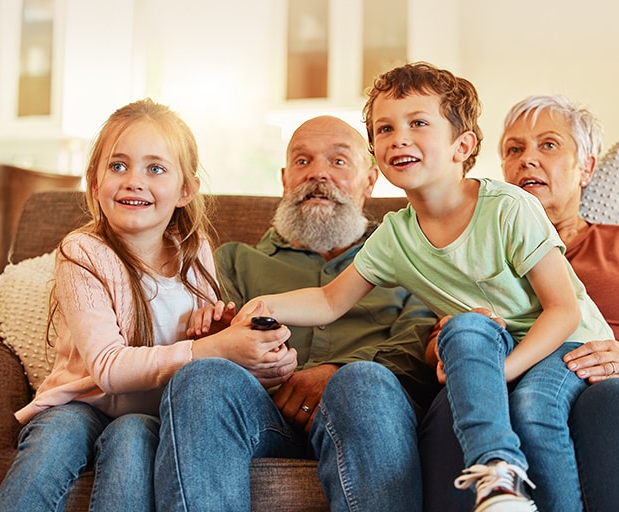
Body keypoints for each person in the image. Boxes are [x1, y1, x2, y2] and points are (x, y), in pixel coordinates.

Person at [235, 63, 614, 512]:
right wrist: (264, 304)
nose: (399, 138)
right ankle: (496, 481)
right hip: (488, 346)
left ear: (463, 145)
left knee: (532, 408)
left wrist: (505, 371)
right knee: (464, 332)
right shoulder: (396, 235)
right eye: (385, 128)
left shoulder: (511, 207)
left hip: (568, 343)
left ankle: (500, 479)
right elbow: (328, 300)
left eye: (418, 123)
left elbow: (563, 312)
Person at [0, 98, 296, 512]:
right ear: (95, 183)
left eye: (155, 168)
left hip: (153, 414)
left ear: (186, 190)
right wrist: (212, 348)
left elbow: (195, 353)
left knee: (132, 436)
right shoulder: (82, 253)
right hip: (82, 403)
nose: (134, 180)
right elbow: (109, 367)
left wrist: (216, 333)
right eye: (118, 166)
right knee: (56, 435)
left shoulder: (196, 251)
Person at [419, 93, 619, 512]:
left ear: (586, 168)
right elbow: (437, 341)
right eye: (514, 149)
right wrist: (446, 354)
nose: (527, 160)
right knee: (456, 404)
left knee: (609, 399)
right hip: (509, 398)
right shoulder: (475, 249)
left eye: (549, 145)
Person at [155, 114, 439, 512]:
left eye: (338, 162)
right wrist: (222, 341)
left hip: (368, 409)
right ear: (285, 179)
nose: (317, 175)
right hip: (264, 415)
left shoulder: (409, 254)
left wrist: (337, 372)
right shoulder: (233, 261)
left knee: (361, 383)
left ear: (370, 180)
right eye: (303, 162)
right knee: (203, 377)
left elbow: (421, 340)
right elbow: (219, 348)